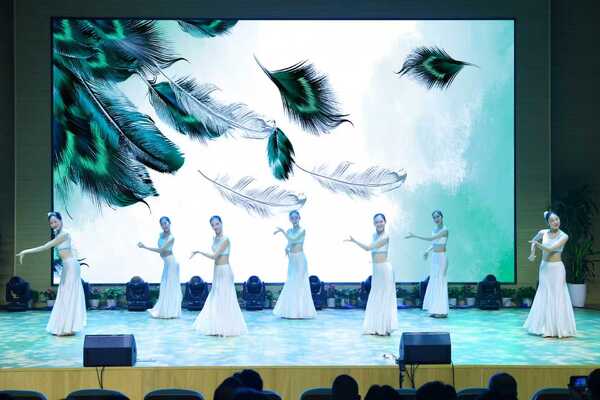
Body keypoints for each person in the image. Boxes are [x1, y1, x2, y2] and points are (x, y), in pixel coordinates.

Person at [16, 212, 86, 336]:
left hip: (71, 266)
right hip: (67, 266)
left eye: (55, 222)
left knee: (68, 295)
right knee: (64, 295)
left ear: (60, 220)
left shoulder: (64, 234)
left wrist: (25, 251)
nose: (53, 224)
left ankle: (67, 327)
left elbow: (45, 246)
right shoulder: (59, 234)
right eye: (51, 223)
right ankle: (65, 327)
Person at [191, 216, 247, 336]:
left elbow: (215, 256)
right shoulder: (215, 238)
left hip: (224, 271)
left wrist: (199, 252)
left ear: (221, 223)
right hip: (217, 271)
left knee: (225, 298)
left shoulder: (225, 239)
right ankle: (217, 326)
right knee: (216, 298)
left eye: (217, 224)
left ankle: (226, 327)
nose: (215, 227)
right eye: (213, 225)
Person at [524, 211, 576, 338]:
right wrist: (532, 253)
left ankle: (559, 328)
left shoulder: (564, 236)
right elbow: (533, 241)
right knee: (544, 293)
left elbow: (551, 249)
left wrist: (538, 245)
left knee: (557, 294)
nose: (555, 222)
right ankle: (543, 327)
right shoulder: (543, 233)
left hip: (557, 269)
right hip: (545, 268)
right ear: (548, 223)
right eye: (552, 220)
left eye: (557, 219)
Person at [346, 213, 398, 336]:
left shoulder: (386, 236)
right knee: (376, 297)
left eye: (381, 221)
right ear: (374, 223)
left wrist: (354, 241)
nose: (379, 224)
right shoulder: (374, 235)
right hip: (377, 270)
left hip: (385, 270)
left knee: (384, 298)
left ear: (385, 222)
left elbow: (368, 248)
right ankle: (375, 327)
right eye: (376, 222)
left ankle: (384, 328)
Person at [273, 210, 316, 319]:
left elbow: (293, 239)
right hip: (292, 260)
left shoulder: (302, 230)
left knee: (299, 284)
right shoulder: (289, 231)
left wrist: (282, 232)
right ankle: (291, 312)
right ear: (290, 219)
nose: (294, 219)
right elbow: (289, 243)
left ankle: (301, 312)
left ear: (299, 218)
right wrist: (286, 248)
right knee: (291, 283)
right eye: (292, 218)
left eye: (296, 217)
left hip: (300, 259)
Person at [405, 210, 449, 318]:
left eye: (438, 216)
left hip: (442, 257)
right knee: (434, 281)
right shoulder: (434, 229)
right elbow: (434, 243)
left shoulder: (445, 230)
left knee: (440, 281)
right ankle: (435, 309)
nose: (436, 219)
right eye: (434, 217)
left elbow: (431, 239)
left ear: (442, 217)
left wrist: (415, 236)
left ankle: (442, 311)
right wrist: (427, 251)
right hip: (435, 258)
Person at [137, 216, 182, 319]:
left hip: (171, 263)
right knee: (165, 287)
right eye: (162, 224)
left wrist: (145, 247)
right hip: (167, 264)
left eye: (165, 223)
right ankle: (165, 310)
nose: (164, 225)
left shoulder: (171, 238)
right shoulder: (161, 235)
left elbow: (161, 250)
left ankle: (171, 312)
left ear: (169, 223)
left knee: (170, 287)